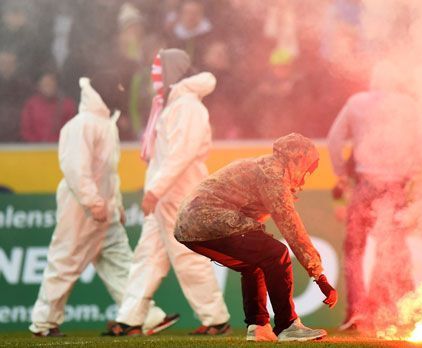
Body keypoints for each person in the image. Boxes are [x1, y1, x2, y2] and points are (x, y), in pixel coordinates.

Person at [29, 71, 174, 337]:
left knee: (120, 262)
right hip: (81, 206)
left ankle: (145, 316)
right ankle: (44, 322)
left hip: (102, 205)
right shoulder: (82, 125)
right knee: (65, 261)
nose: (119, 90)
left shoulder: (106, 123)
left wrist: (114, 204)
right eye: (116, 85)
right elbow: (75, 169)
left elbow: (108, 174)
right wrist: (92, 201)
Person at [105, 49, 231, 336]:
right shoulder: (173, 104)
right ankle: (131, 318)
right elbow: (169, 157)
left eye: (158, 68)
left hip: (179, 192)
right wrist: (156, 191)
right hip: (165, 195)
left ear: (172, 71)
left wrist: (155, 190)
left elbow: (181, 155)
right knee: (147, 256)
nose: (154, 75)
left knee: (187, 256)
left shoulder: (186, 106)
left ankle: (215, 319)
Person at [174, 133, 337, 342]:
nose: (306, 175)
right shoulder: (273, 174)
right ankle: (288, 326)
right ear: (295, 159)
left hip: (189, 225)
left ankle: (259, 326)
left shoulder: (264, 166)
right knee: (276, 253)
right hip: (207, 218)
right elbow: (291, 226)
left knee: (255, 263)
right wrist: (319, 275)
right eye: (308, 167)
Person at [326, 61, 422, 331]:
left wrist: (340, 174)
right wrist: (413, 174)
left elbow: (334, 139)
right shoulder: (409, 105)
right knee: (390, 248)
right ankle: (389, 309)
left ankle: (357, 310)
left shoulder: (357, 102)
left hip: (365, 183)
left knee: (355, 249)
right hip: (396, 186)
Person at [20, 72, 76, 142]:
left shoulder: (67, 105)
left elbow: (72, 130)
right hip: (35, 150)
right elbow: (26, 130)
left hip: (60, 148)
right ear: (39, 86)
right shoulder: (31, 105)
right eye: (45, 84)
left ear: (56, 84)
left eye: (51, 83)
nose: (48, 87)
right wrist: (38, 144)